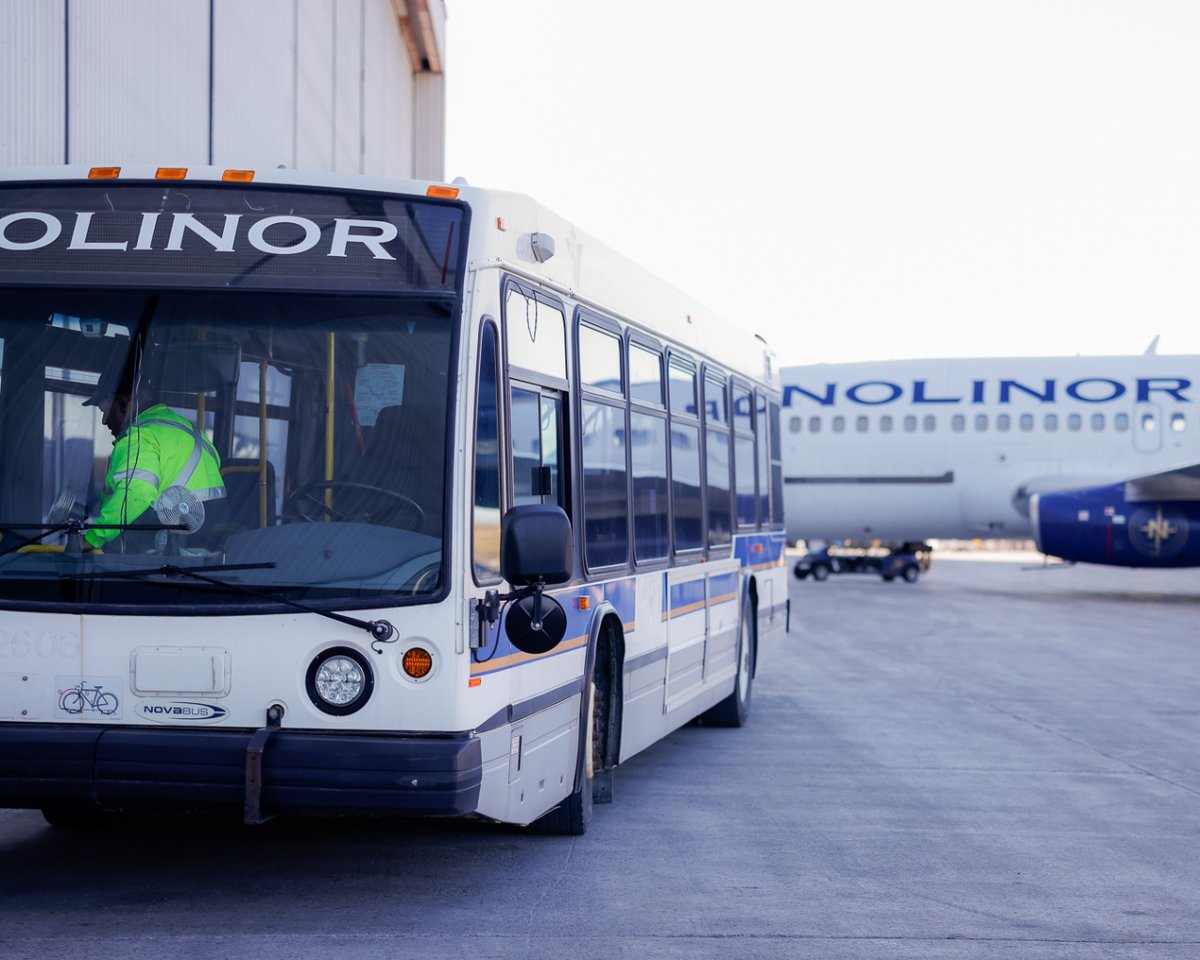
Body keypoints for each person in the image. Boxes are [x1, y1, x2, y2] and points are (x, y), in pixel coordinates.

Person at [81, 358, 225, 549]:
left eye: (105, 411)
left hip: (160, 554)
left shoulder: (140, 438)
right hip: (210, 545)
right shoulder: (194, 434)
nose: (104, 422)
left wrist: (91, 540)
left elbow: (137, 492)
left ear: (124, 403)